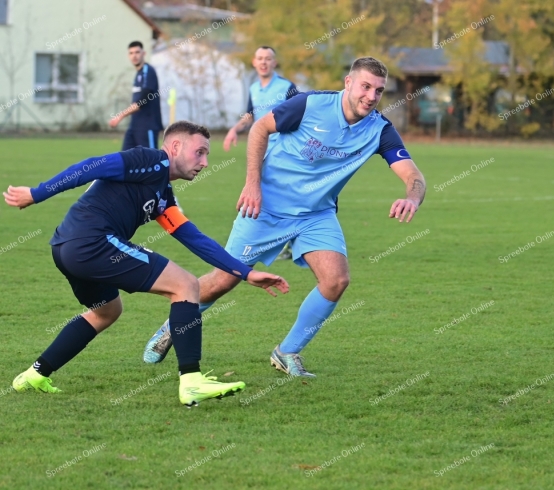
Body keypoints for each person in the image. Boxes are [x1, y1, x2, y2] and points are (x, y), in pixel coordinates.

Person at [142, 57, 426, 378]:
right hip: (265, 207)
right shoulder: (309, 105)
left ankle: (287, 351)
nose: (371, 96)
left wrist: (411, 197)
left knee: (336, 280)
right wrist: (252, 184)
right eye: (365, 86)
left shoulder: (379, 130)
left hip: (316, 214)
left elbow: (413, 175)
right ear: (348, 83)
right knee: (224, 279)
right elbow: (260, 128)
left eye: (378, 90)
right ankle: (172, 326)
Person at [4, 121, 289, 407]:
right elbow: (91, 166)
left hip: (66, 247)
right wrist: (36, 193)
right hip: (91, 242)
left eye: (207, 155)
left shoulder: (163, 196)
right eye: (200, 152)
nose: (204, 162)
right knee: (186, 285)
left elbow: (194, 239)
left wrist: (246, 272)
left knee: (106, 312)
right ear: (175, 146)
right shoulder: (149, 161)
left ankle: (34, 374)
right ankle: (191, 381)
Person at [223, 45, 298, 260]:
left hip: (284, 152)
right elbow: (250, 116)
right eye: (260, 58)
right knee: (264, 195)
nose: (264, 62)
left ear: (275, 63)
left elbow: (301, 114)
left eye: (268, 58)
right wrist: (234, 129)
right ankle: (270, 242)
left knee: (283, 195)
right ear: (254, 62)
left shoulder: (287, 87)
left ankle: (285, 243)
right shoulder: (254, 89)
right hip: (260, 152)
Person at [109, 41, 164, 150]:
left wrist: (120, 116)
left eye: (137, 52)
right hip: (134, 126)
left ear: (144, 53)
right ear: (128, 55)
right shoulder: (138, 74)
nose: (134, 56)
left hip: (147, 126)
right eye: (131, 53)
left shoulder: (148, 71)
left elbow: (142, 101)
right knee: (126, 160)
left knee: (152, 162)